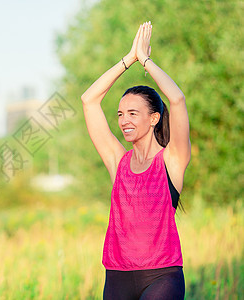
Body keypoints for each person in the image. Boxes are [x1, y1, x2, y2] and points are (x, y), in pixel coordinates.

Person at [81, 21, 191, 300]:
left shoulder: (172, 159)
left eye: (132, 113)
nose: (124, 121)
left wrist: (146, 60)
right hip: (117, 275)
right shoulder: (118, 162)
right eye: (119, 114)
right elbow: (89, 100)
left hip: (162, 276)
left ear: (154, 118)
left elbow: (176, 99)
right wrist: (127, 60)